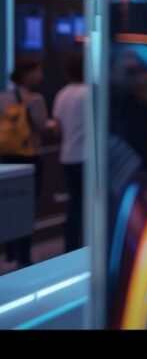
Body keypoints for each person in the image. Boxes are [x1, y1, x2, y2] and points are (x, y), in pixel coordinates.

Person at [0, 58, 53, 267]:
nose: (40, 76)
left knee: (8, 203)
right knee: (27, 206)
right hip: (30, 156)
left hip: (7, 155)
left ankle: (9, 252)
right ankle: (24, 254)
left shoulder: (3, 97)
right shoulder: (35, 99)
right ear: (27, 74)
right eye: (38, 72)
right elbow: (42, 125)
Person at [53, 52, 87, 252]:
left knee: (74, 205)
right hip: (86, 158)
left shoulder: (62, 94)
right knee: (88, 206)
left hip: (67, 156)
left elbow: (57, 128)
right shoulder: (90, 93)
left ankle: (70, 247)